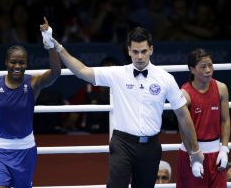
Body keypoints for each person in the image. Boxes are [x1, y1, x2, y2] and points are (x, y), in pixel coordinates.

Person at [40, 19, 204, 188]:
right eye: (135, 52)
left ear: (151, 50)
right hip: (122, 144)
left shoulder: (166, 79)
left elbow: (183, 115)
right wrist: (57, 46)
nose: (139, 56)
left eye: (143, 51)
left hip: (151, 146)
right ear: (128, 51)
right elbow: (82, 71)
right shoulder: (117, 73)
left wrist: (196, 150)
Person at [0, 17, 61, 187]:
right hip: (0, 149)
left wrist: (49, 42)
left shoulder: (33, 84)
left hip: (25, 150)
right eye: (13, 62)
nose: (17, 65)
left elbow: (56, 72)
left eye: (21, 62)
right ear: (6, 62)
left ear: (26, 64)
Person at [176, 48, 230, 188]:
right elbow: (183, 129)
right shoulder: (185, 94)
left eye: (210, 65)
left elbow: (225, 120)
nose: (208, 70)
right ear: (192, 69)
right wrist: (193, 156)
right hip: (193, 151)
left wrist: (224, 149)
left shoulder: (221, 88)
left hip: (216, 153)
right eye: (203, 66)